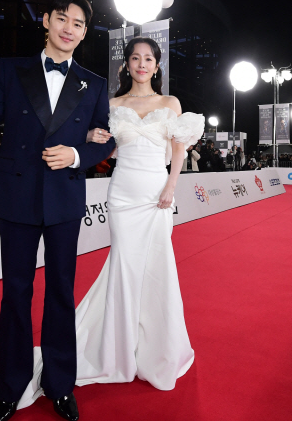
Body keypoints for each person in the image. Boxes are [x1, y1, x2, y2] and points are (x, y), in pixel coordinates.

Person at [0, 0, 115, 421]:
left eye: (79, 23)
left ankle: (60, 384)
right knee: (16, 295)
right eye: (62, 18)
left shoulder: (94, 83)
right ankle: (10, 388)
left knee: (61, 294)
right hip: (17, 197)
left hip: (64, 197)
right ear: (45, 21)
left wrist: (79, 156)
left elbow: (107, 137)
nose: (69, 28)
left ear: (84, 33)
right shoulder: (10, 69)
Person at [71, 36, 202, 392]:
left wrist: (171, 187)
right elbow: (98, 142)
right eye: (135, 58)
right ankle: (117, 348)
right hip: (123, 194)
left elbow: (178, 148)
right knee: (124, 265)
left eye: (148, 59)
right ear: (126, 64)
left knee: (158, 266)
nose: (142, 64)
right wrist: (91, 135)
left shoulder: (169, 102)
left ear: (157, 66)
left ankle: (158, 346)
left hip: (157, 191)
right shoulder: (112, 103)